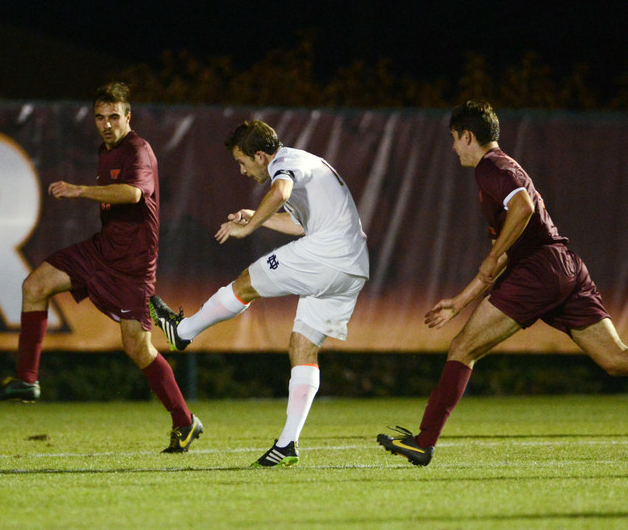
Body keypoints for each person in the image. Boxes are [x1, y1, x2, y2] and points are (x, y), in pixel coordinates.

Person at [377, 100, 628, 466]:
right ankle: (423, 441)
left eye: (454, 138)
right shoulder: (504, 167)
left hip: (540, 269)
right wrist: (459, 302)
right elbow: (506, 251)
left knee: (463, 348)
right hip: (566, 266)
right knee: (617, 360)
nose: (453, 147)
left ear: (467, 136)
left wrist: (492, 256)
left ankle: (424, 442)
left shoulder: (490, 166)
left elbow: (523, 209)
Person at [0, 82, 203, 453]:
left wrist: (79, 190)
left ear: (128, 116)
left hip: (132, 266)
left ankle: (185, 421)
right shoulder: (106, 150)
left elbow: (133, 193)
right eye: (100, 118)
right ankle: (27, 380)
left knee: (137, 347)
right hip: (101, 251)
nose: (106, 125)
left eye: (114, 117)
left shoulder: (138, 150)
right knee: (35, 285)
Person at [150, 119, 369, 467]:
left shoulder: (285, 161)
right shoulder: (305, 163)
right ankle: (288, 444)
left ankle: (183, 332)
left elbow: (279, 192)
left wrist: (248, 228)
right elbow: (299, 223)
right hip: (352, 265)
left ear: (262, 156)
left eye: (243, 162)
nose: (242, 171)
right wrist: (258, 216)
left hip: (328, 255)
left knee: (245, 283)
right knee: (303, 347)